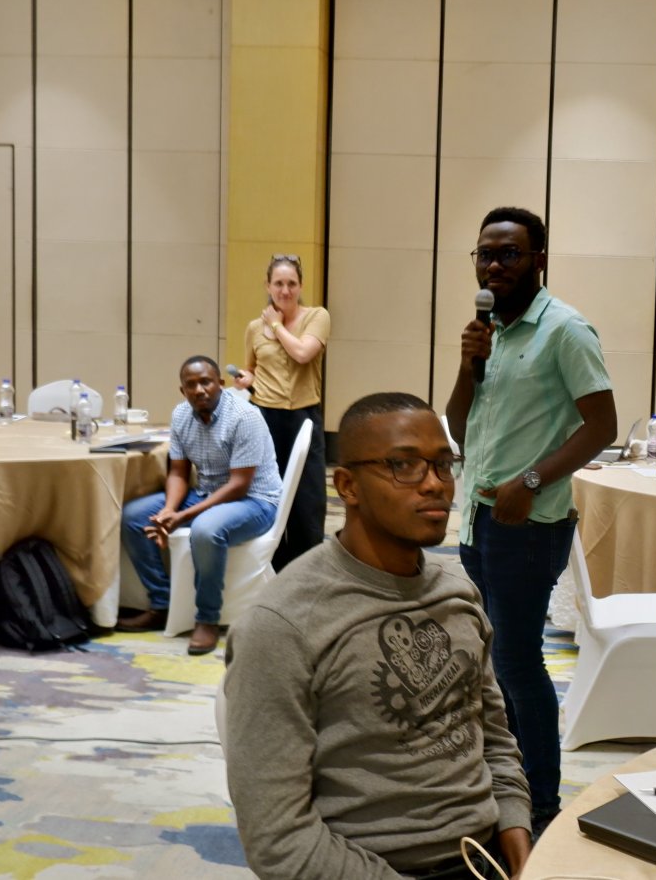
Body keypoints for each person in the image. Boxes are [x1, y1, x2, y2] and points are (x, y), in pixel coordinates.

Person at [225, 392, 532, 879]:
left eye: (443, 464)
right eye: (403, 465)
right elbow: (278, 839)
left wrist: (517, 829)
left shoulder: (457, 592)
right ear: (347, 485)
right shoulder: (284, 623)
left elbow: (492, 733)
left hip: (486, 856)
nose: (434, 485)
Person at [445, 206, 616, 831]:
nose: (495, 264)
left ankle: (543, 805)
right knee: (492, 661)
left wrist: (534, 480)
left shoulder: (565, 331)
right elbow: (458, 425)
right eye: (486, 253)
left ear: (539, 258)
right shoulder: (488, 333)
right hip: (477, 523)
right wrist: (470, 362)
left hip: (529, 524)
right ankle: (507, 785)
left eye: (510, 253)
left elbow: (602, 426)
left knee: (518, 661)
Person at [117, 356, 280, 655]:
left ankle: (207, 619)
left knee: (205, 530)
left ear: (220, 383)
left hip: (255, 501)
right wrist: (169, 509)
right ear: (182, 391)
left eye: (206, 381)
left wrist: (184, 516)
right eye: (191, 385)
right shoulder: (181, 415)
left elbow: (239, 484)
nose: (199, 390)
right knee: (131, 517)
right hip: (206, 494)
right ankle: (160, 603)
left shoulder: (245, 416)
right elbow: (178, 471)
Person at [233, 253, 329, 570]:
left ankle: (305, 574)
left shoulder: (317, 316)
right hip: (264, 418)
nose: (285, 291)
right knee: (268, 497)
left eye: (291, 284)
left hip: (303, 418)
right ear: (268, 286)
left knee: (307, 501)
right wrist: (246, 379)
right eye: (278, 284)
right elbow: (251, 370)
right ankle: (269, 573)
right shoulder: (253, 329)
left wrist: (276, 324)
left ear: (300, 286)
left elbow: (303, 353)